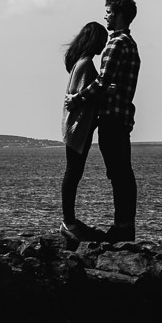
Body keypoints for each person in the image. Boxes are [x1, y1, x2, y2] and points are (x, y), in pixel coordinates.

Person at [89, 0, 141, 242]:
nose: (106, 15)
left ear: (119, 14)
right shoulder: (130, 44)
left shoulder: (116, 44)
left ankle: (121, 227)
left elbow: (102, 81)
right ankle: (125, 225)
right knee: (123, 173)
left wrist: (76, 98)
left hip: (112, 117)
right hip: (123, 117)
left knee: (118, 173)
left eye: (108, 11)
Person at [59, 20, 108, 246]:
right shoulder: (86, 64)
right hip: (78, 129)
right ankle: (68, 222)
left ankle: (69, 221)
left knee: (73, 173)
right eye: (102, 40)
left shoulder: (81, 62)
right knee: (73, 173)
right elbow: (79, 97)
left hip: (77, 128)